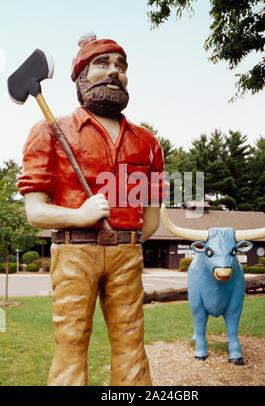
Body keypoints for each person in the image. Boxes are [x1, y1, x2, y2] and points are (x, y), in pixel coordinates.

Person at [17, 33, 167, 386]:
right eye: (102, 64)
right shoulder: (49, 132)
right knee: (70, 344)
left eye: (121, 66)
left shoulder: (147, 143)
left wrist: (125, 241)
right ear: (80, 76)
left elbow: (151, 219)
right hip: (74, 252)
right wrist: (79, 216)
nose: (115, 72)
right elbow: (35, 212)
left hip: (127, 253)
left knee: (132, 343)